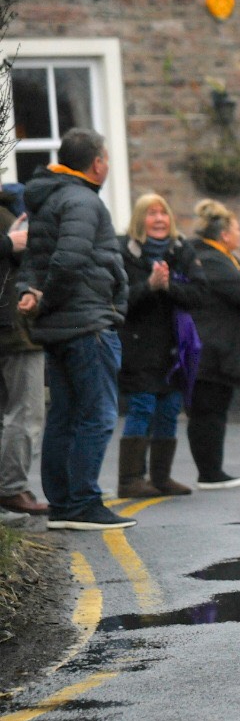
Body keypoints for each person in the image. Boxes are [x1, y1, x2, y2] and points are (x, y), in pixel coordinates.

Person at [15, 128, 133, 530]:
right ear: (97, 163)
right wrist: (45, 296)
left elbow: (33, 258)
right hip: (87, 323)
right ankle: (82, 502)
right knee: (97, 415)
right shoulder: (83, 200)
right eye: (107, 158)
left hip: (59, 327)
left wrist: (30, 292)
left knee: (65, 415)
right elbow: (69, 260)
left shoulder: (48, 200)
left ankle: (64, 505)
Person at [117, 194, 206, 498]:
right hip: (138, 347)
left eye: (163, 213)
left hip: (174, 348)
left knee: (169, 409)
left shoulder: (182, 250)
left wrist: (168, 287)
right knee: (142, 408)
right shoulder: (124, 253)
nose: (158, 219)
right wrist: (149, 287)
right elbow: (119, 301)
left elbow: (199, 294)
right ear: (139, 220)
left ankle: (161, 477)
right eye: (151, 213)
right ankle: (130, 479)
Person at [188, 200, 240, 490]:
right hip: (211, 348)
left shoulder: (216, 257)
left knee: (212, 409)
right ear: (224, 235)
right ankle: (209, 473)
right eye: (237, 228)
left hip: (215, 346)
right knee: (208, 411)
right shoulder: (212, 259)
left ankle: (211, 470)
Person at [0, 188, 46, 518]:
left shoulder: (9, 205)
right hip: (13, 328)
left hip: (15, 324)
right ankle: (12, 487)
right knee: (26, 411)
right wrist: (10, 244)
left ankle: (13, 485)